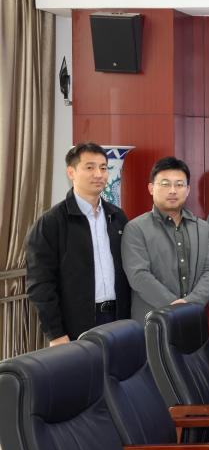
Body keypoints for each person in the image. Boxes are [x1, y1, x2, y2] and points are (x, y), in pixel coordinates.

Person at [26, 143, 131, 344]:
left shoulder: (117, 216)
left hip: (118, 319)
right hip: (75, 326)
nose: (98, 174)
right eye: (90, 167)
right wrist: (56, 333)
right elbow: (40, 284)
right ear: (71, 172)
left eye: (103, 168)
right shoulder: (50, 222)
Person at [122, 156, 209, 323]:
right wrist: (177, 308)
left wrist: (191, 304)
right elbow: (139, 276)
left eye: (179, 184)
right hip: (152, 323)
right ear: (151, 188)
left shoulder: (203, 228)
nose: (173, 190)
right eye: (165, 184)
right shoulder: (135, 228)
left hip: (193, 320)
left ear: (188, 190)